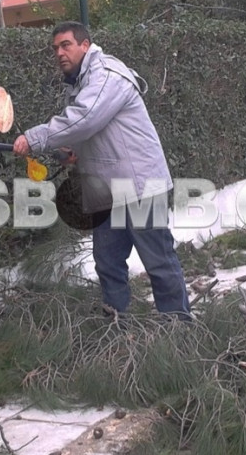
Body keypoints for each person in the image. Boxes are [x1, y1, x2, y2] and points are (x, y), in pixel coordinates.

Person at [12, 21, 192, 321]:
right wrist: (73, 152)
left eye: (66, 45)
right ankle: (116, 326)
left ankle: (179, 326)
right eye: (55, 48)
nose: (59, 53)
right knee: (108, 263)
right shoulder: (79, 83)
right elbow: (89, 131)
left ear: (85, 45)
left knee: (158, 262)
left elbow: (85, 119)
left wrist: (34, 138)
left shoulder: (106, 74)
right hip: (107, 191)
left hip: (139, 185)